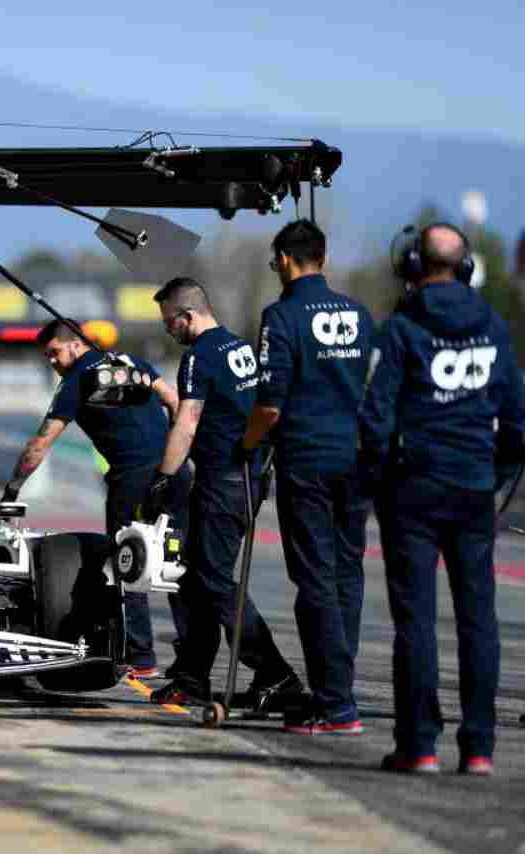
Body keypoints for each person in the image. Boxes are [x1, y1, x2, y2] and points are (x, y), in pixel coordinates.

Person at [360, 223, 524, 774]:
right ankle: (479, 748)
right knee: (479, 619)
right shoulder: (495, 327)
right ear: (467, 267)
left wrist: (376, 484)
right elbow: (518, 422)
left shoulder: (402, 327)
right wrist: (493, 475)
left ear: (412, 266)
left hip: (415, 487)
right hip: (474, 485)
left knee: (417, 621)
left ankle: (420, 745)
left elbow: (376, 419)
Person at [240, 219, 374, 735]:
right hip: (357, 459)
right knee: (347, 575)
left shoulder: (282, 315)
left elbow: (269, 405)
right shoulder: (359, 314)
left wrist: (245, 446)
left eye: (276, 260)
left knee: (315, 580)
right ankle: (338, 688)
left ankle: (335, 705)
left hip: (308, 462)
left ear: (286, 259)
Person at [145, 278, 303, 711]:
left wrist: (163, 477)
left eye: (169, 323)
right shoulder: (242, 349)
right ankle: (193, 676)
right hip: (248, 479)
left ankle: (275, 673)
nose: (168, 332)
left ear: (188, 316)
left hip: (223, 483)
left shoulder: (198, 358)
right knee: (196, 582)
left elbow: (187, 420)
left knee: (215, 582)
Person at [0, 318, 187, 679]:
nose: (51, 362)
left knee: (129, 565)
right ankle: (192, 659)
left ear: (76, 345)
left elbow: (40, 444)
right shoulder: (133, 364)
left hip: (131, 479)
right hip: (174, 472)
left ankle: (141, 657)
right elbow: (175, 402)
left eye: (54, 353)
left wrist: (13, 488)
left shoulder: (75, 384)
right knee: (178, 563)